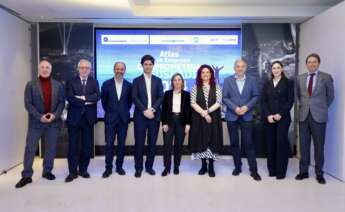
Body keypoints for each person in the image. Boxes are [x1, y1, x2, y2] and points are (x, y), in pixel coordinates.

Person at [15, 60, 65, 188]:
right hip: (36, 122)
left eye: (47, 67)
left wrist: (54, 115)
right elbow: (28, 104)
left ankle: (47, 171)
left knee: (50, 149)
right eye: (42, 67)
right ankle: (26, 176)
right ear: (39, 69)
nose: (44, 69)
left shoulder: (58, 85)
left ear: (51, 69)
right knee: (30, 148)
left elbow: (61, 103)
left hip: (53, 122)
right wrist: (40, 117)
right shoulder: (30, 85)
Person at [296, 53, 334, 184]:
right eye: (309, 62)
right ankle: (303, 171)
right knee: (304, 146)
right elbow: (298, 97)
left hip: (319, 117)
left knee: (319, 146)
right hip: (304, 116)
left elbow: (330, 97)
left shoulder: (326, 77)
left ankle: (319, 173)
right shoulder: (300, 78)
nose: (312, 64)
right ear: (306, 64)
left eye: (314, 62)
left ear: (318, 63)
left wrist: (321, 107)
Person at [222, 59, 261, 181]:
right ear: (234, 68)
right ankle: (237, 167)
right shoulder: (228, 80)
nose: (240, 68)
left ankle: (253, 170)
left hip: (247, 115)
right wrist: (235, 108)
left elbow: (256, 96)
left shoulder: (252, 80)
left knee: (249, 143)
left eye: (242, 66)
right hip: (232, 116)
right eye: (238, 66)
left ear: (246, 68)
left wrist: (246, 107)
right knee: (234, 143)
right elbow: (224, 97)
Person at [65, 59, 100, 183]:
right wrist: (86, 101)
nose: (84, 70)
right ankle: (72, 172)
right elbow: (70, 98)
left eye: (87, 68)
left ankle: (83, 170)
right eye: (82, 67)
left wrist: (82, 98)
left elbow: (97, 96)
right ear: (78, 68)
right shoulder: (71, 81)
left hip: (88, 119)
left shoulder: (94, 81)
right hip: (74, 119)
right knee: (73, 147)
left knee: (86, 147)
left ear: (90, 69)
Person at [132, 55, 163, 178]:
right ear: (142, 65)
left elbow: (161, 96)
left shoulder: (158, 80)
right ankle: (138, 168)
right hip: (140, 116)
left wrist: (152, 109)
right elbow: (134, 97)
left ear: (153, 65)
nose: (148, 66)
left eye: (150, 64)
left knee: (152, 144)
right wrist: (145, 110)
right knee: (139, 143)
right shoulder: (136, 80)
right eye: (146, 64)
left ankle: (149, 167)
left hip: (154, 117)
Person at [189, 64, 223, 178]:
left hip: (214, 118)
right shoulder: (195, 87)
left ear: (211, 74)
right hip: (199, 118)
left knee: (212, 140)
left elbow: (218, 102)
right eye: (203, 72)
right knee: (201, 140)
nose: (205, 74)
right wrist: (203, 114)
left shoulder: (216, 86)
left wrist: (207, 112)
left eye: (207, 72)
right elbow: (193, 103)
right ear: (200, 74)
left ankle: (211, 166)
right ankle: (203, 165)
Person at [262, 61, 294, 180]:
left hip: (283, 118)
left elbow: (290, 101)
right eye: (274, 68)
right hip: (269, 119)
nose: (275, 70)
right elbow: (263, 101)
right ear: (271, 70)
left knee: (281, 144)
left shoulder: (288, 83)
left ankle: (281, 172)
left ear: (282, 69)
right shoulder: (267, 84)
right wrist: (268, 115)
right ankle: (272, 170)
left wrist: (280, 114)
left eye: (278, 68)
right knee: (270, 144)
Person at [101, 61, 132, 178]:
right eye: (117, 69)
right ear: (114, 70)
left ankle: (119, 167)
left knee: (121, 144)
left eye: (122, 69)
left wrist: (122, 111)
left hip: (123, 119)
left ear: (124, 71)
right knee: (109, 144)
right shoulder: (106, 84)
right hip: (110, 119)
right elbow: (104, 102)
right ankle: (108, 168)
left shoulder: (129, 85)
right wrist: (111, 111)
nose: (119, 71)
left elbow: (129, 103)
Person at [161, 73, 191, 176]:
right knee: (167, 145)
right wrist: (164, 123)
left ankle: (176, 166)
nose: (177, 82)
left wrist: (188, 124)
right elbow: (164, 110)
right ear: (172, 82)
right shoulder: (167, 94)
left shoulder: (187, 95)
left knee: (178, 146)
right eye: (175, 80)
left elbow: (188, 111)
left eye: (179, 80)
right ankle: (166, 168)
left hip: (181, 122)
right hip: (169, 121)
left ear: (182, 82)